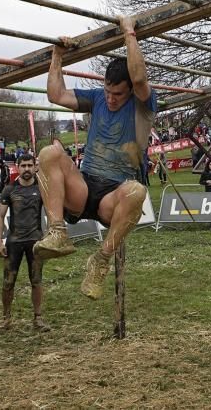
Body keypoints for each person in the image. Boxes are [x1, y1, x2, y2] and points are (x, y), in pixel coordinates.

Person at [35, 15, 155, 300]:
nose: (111, 98)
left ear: (130, 92)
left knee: (137, 191)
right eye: (107, 91)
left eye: (118, 94)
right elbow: (56, 95)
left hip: (114, 196)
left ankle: (100, 261)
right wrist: (57, 55)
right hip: (85, 186)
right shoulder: (98, 98)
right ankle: (56, 232)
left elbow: (138, 77)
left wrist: (128, 32)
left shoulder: (143, 103)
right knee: (50, 152)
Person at [0, 154, 50, 335]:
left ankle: (38, 318)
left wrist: (49, 235)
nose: (26, 169)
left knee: (37, 281)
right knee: (8, 282)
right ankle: (6, 319)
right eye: (23, 165)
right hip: (14, 242)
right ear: (17, 167)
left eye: (29, 165)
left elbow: (51, 212)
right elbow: (0, 216)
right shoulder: (9, 190)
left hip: (35, 242)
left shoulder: (41, 188)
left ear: (35, 167)